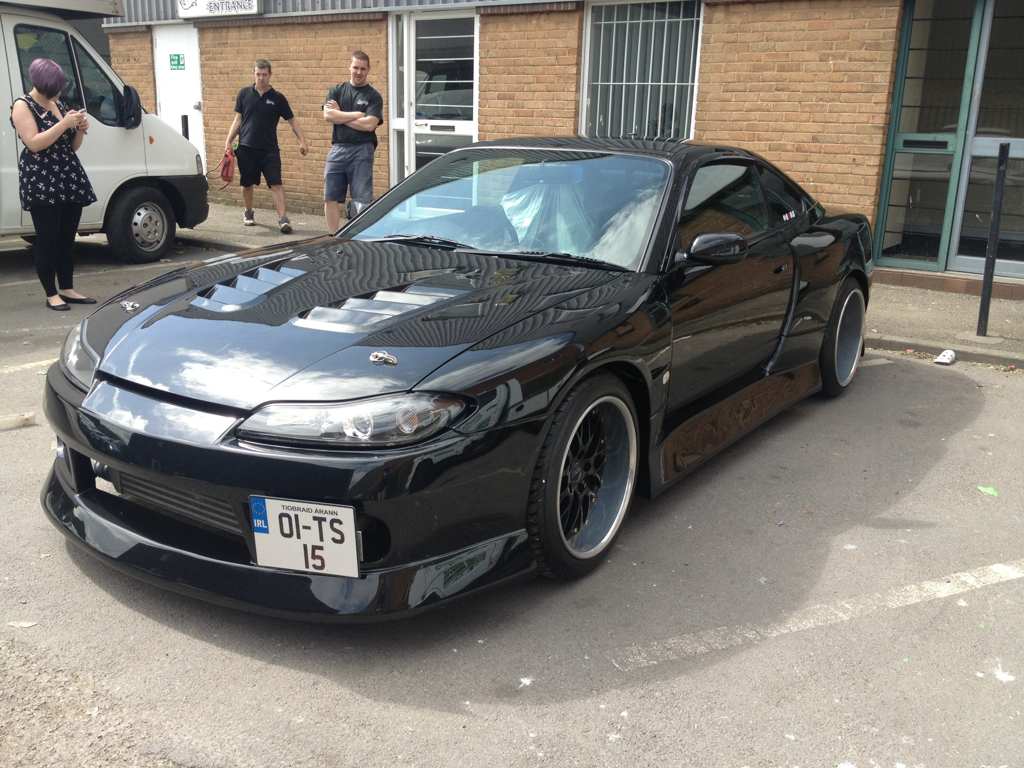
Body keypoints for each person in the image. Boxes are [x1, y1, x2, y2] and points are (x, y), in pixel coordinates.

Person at [10, 58, 97, 311]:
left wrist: (79, 129)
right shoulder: (22, 105)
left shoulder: (58, 103)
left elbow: (72, 147)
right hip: (42, 179)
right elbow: (34, 143)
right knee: (48, 238)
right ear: (42, 84)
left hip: (68, 176)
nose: (59, 93)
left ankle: (67, 288)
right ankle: (51, 293)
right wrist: (63, 124)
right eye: (55, 88)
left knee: (67, 238)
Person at [224, 59, 308, 233]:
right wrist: (228, 141)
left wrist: (302, 141)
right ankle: (248, 212)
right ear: (254, 74)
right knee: (247, 183)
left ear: (270, 75)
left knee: (276, 184)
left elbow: (292, 121)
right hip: (246, 148)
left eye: (264, 74)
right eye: (258, 74)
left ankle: (283, 219)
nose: (261, 78)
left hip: (270, 150)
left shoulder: (278, 98)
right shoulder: (244, 94)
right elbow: (238, 120)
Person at [323, 50, 383, 233]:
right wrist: (356, 115)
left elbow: (369, 125)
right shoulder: (337, 90)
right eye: (355, 67)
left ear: (368, 70)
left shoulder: (374, 96)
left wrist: (340, 116)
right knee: (330, 196)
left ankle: (357, 237)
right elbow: (328, 115)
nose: (358, 72)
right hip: (338, 148)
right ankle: (333, 237)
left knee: (362, 199)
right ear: (349, 67)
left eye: (363, 69)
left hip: (362, 150)